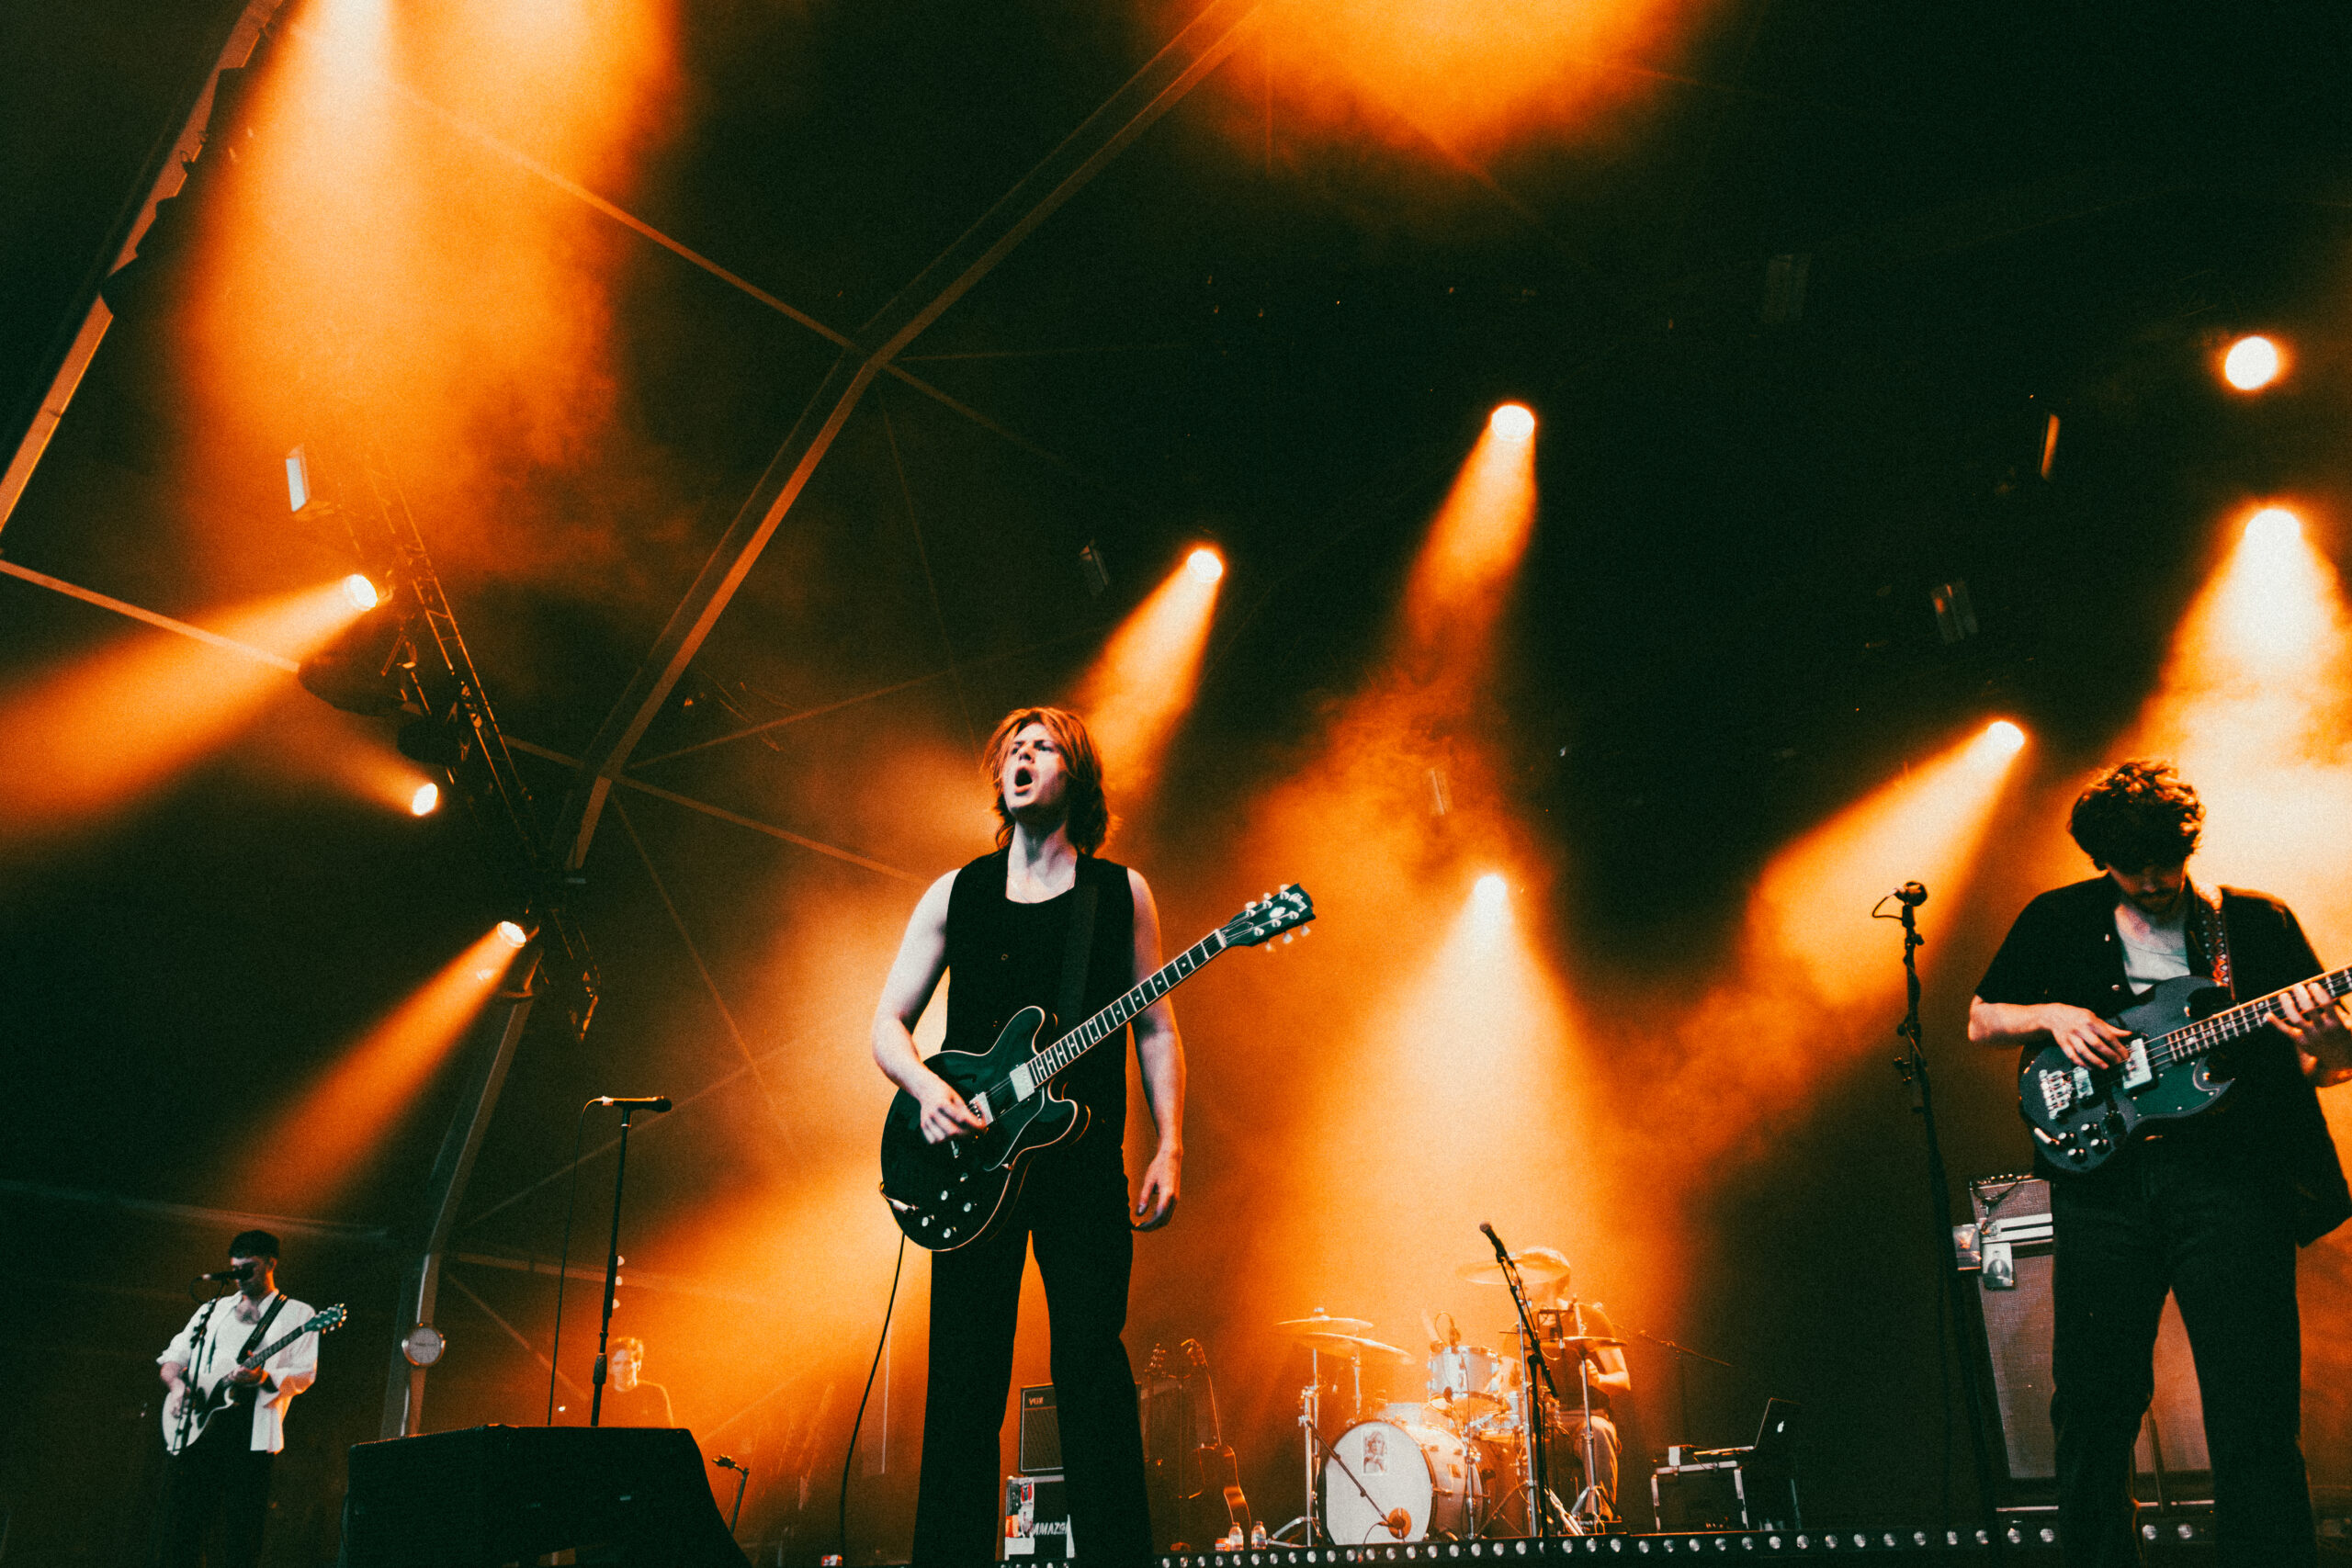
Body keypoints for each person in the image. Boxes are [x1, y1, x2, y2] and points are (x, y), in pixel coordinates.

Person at [1969, 760, 2351, 1567]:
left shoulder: (2252, 923)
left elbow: (2331, 1063)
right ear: (2100, 858)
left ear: (2189, 843)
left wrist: (2331, 1046)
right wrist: (2055, 1015)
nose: (2153, 879)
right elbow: (1981, 1017)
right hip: (2102, 1185)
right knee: (2094, 1402)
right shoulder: (2058, 917)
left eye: (2168, 860)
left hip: (2230, 1180)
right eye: (2132, 865)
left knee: (2253, 1401)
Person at [872, 706, 1184, 1568]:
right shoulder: (957, 891)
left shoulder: (1119, 892)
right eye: (1012, 746)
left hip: (1083, 1166)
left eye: (1041, 747)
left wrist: (1170, 1144)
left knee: (1091, 1369)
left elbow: (1155, 1026)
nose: (1021, 756)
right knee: (964, 1384)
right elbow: (887, 1024)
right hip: (969, 1166)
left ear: (1074, 777)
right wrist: (927, 1087)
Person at [154, 1230, 320, 1568]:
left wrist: (263, 1376)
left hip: (252, 1432)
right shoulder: (213, 1310)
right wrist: (176, 1387)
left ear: (271, 1263)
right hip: (199, 1428)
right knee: (186, 1522)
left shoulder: (299, 1314)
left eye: (250, 1268)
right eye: (237, 1269)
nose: (241, 1276)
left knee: (241, 1530)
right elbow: (173, 1358)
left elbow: (305, 1373)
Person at [598, 1337, 677, 1427]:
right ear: (610, 1368)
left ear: (638, 1365)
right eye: (617, 1363)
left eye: (628, 1363)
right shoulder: (599, 1398)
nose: (622, 1369)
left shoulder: (655, 1393)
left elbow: (667, 1433)